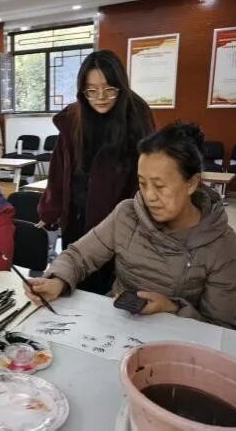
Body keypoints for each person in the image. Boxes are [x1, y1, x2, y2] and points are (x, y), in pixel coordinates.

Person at [24, 123, 236, 329]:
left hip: (178, 338)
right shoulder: (127, 214)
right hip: (117, 324)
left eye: (159, 186)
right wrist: (57, 280)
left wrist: (173, 308)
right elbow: (79, 255)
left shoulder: (220, 242)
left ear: (192, 183)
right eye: (142, 184)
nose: (149, 196)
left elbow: (222, 327)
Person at [37, 50, 155, 294]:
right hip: (76, 211)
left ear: (121, 85)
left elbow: (147, 170)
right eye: (91, 90)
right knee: (74, 276)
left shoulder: (137, 115)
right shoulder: (73, 116)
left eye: (109, 89)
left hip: (116, 214)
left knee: (108, 282)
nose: (100, 97)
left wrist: (144, 218)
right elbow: (59, 168)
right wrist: (49, 212)